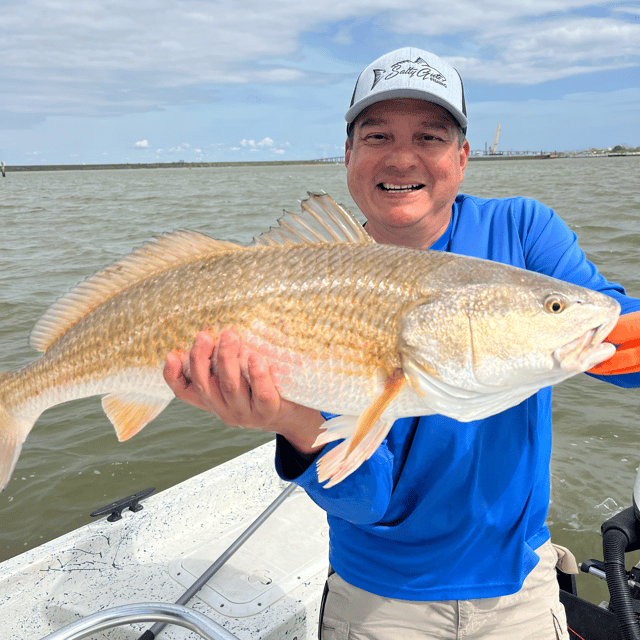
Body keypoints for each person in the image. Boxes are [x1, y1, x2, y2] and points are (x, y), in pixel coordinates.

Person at [164, 48, 640, 640]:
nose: (403, 156)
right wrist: (287, 415)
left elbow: (619, 342)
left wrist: (591, 325)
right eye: (377, 135)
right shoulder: (313, 290)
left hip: (521, 584)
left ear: (462, 157)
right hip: (375, 601)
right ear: (348, 155)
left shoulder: (521, 230)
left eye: (430, 136)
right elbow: (368, 503)